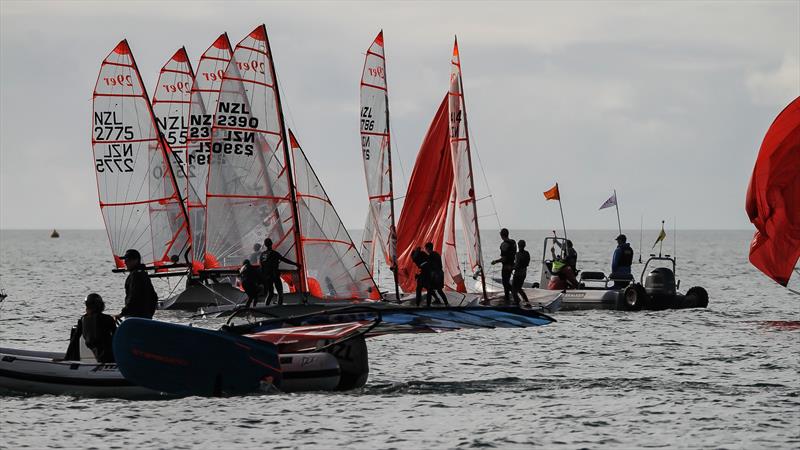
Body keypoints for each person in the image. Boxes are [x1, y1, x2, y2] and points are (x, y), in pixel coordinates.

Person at [65, 294, 117, 363]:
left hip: (97, 353)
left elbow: (74, 340)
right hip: (110, 356)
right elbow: (117, 337)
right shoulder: (108, 319)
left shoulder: (82, 320)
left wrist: (66, 358)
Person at [117, 249, 158, 319]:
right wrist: (149, 315)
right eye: (125, 260)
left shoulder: (135, 275)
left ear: (136, 260)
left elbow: (134, 297)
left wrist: (122, 314)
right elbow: (154, 297)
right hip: (145, 317)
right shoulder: (143, 273)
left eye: (128, 260)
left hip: (134, 317)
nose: (125, 262)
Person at [258, 238, 298, 306]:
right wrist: (296, 264)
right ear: (272, 243)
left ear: (265, 245)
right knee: (280, 293)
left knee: (270, 293)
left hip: (267, 277)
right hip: (275, 276)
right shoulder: (274, 253)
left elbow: (261, 267)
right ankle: (279, 307)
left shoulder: (262, 255)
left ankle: (266, 307)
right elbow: (285, 260)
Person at [491, 228, 516, 303]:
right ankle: (510, 296)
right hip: (512, 265)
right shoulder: (513, 242)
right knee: (506, 281)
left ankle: (510, 297)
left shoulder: (504, 244)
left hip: (506, 266)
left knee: (505, 283)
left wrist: (495, 261)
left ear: (501, 235)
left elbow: (504, 259)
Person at [424, 242, 449, 307]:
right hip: (440, 274)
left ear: (428, 248)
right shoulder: (437, 254)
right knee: (439, 290)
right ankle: (446, 303)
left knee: (429, 290)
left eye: (426, 248)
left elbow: (430, 266)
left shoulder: (430, 256)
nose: (425, 250)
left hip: (435, 275)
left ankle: (428, 306)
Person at [512, 240, 531, 305]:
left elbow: (517, 265)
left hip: (518, 274)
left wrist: (511, 268)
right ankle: (526, 301)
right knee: (519, 288)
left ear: (518, 245)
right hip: (523, 274)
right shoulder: (527, 253)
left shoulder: (518, 254)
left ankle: (516, 302)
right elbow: (526, 263)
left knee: (514, 289)